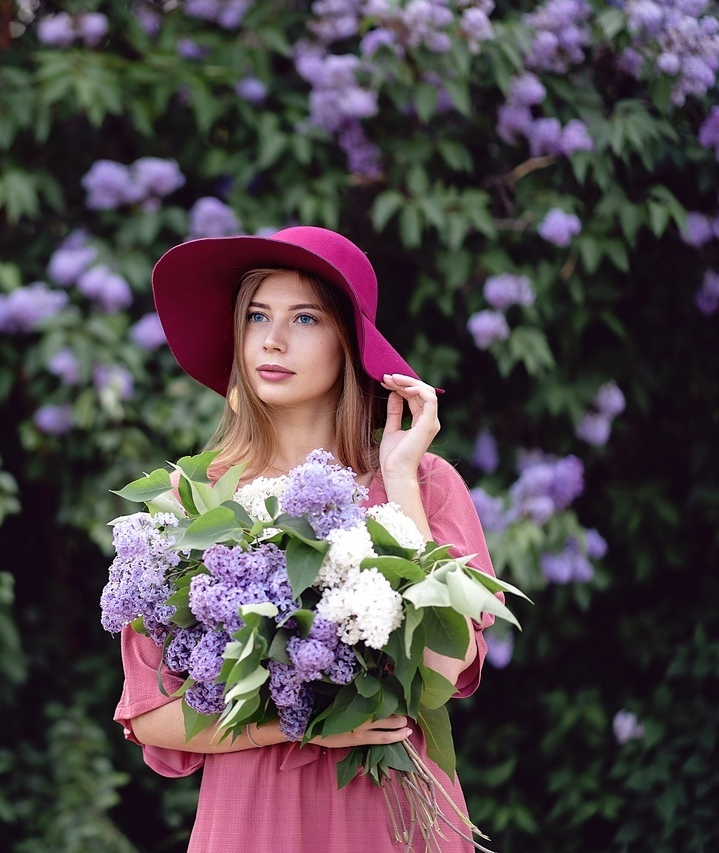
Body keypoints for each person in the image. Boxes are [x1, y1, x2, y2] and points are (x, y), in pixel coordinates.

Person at [115, 226, 498, 851]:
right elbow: (153, 717)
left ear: (350, 342)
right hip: (252, 821)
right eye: (258, 316)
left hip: (389, 820)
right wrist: (303, 728)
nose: (272, 339)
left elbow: (440, 670)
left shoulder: (424, 481)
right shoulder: (196, 503)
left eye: (306, 318)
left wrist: (398, 479)